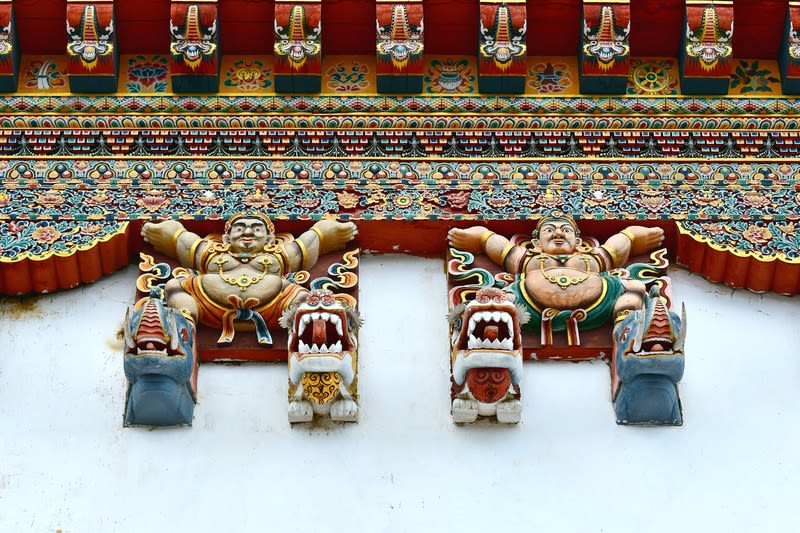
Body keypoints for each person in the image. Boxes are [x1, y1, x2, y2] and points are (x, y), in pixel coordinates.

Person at [141, 213, 357, 343]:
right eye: (239, 228)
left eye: (256, 229)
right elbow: (185, 241)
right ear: (226, 237)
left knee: (305, 297)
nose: (248, 232)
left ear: (270, 238)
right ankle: (183, 326)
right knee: (175, 285)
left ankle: (311, 338)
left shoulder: (277, 256)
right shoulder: (213, 254)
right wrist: (171, 230)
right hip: (209, 306)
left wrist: (322, 230)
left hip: (274, 307)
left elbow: (306, 245)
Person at [447, 214, 664, 331]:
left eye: (566, 230)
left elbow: (621, 242)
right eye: (549, 230)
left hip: (601, 301)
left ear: (578, 241)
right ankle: (489, 336)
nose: (558, 233)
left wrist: (634, 234)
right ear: (535, 242)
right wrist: (480, 236)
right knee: (498, 300)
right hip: (528, 302)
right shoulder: (527, 258)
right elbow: (494, 242)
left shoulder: (592, 258)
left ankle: (626, 328)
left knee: (635, 288)